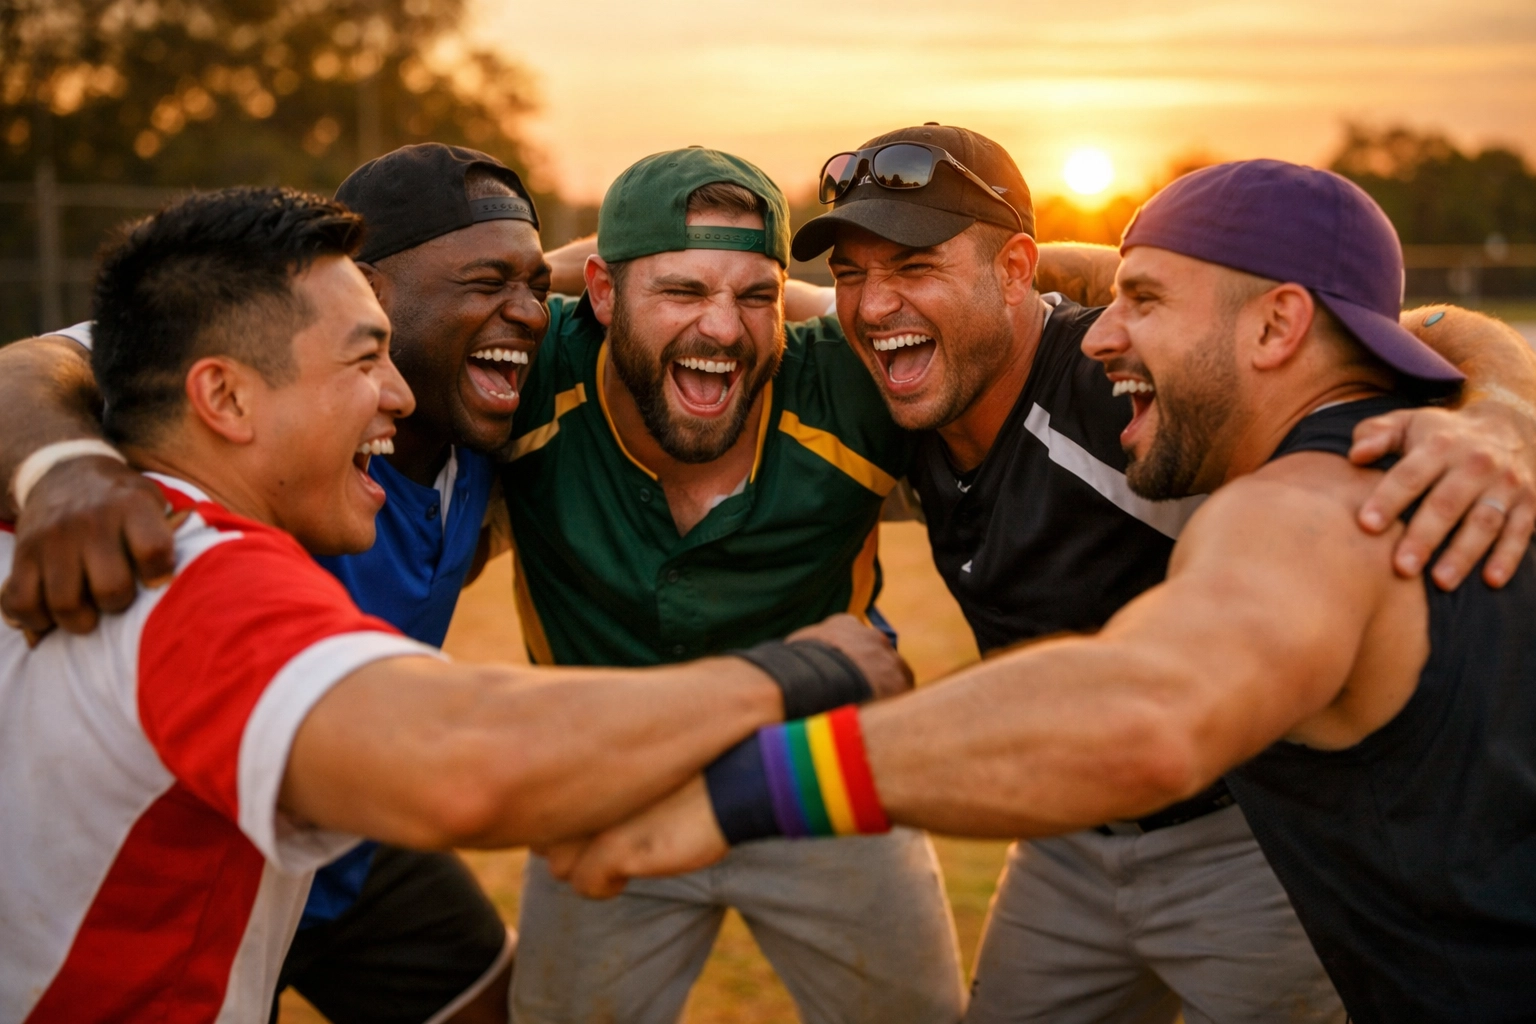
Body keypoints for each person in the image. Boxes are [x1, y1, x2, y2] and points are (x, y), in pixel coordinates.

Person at [551, 159, 1536, 1024]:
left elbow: (1148, 713)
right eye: (854, 277)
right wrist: (530, 276)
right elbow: (739, 308)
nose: (1105, 331)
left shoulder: (1318, 497)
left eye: (1141, 299)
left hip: (1227, 849)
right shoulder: (1369, 440)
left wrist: (752, 784)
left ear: (1281, 323)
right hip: (1072, 853)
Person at [0, 186, 907, 1023]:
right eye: (365, 357)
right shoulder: (183, 566)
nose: (393, 390)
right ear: (224, 394)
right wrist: (794, 670)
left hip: (323, 849)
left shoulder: (459, 424)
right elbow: (459, 760)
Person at [499, 148, 964, 1024]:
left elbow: (1020, 316)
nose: (722, 328)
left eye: (756, 297)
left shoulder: (843, 381)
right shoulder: (529, 373)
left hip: (821, 779)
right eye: (681, 291)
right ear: (600, 294)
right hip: (606, 787)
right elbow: (388, 303)